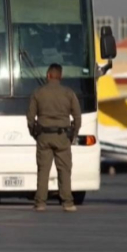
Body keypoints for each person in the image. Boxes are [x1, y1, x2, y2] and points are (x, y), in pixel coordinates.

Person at [26, 63, 81, 212]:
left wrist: (35, 134)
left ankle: (40, 203)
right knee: (64, 170)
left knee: (43, 170)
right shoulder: (68, 93)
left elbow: (30, 117)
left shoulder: (38, 93)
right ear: (60, 77)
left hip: (43, 135)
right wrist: (73, 134)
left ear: (48, 75)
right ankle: (68, 202)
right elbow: (77, 116)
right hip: (63, 136)